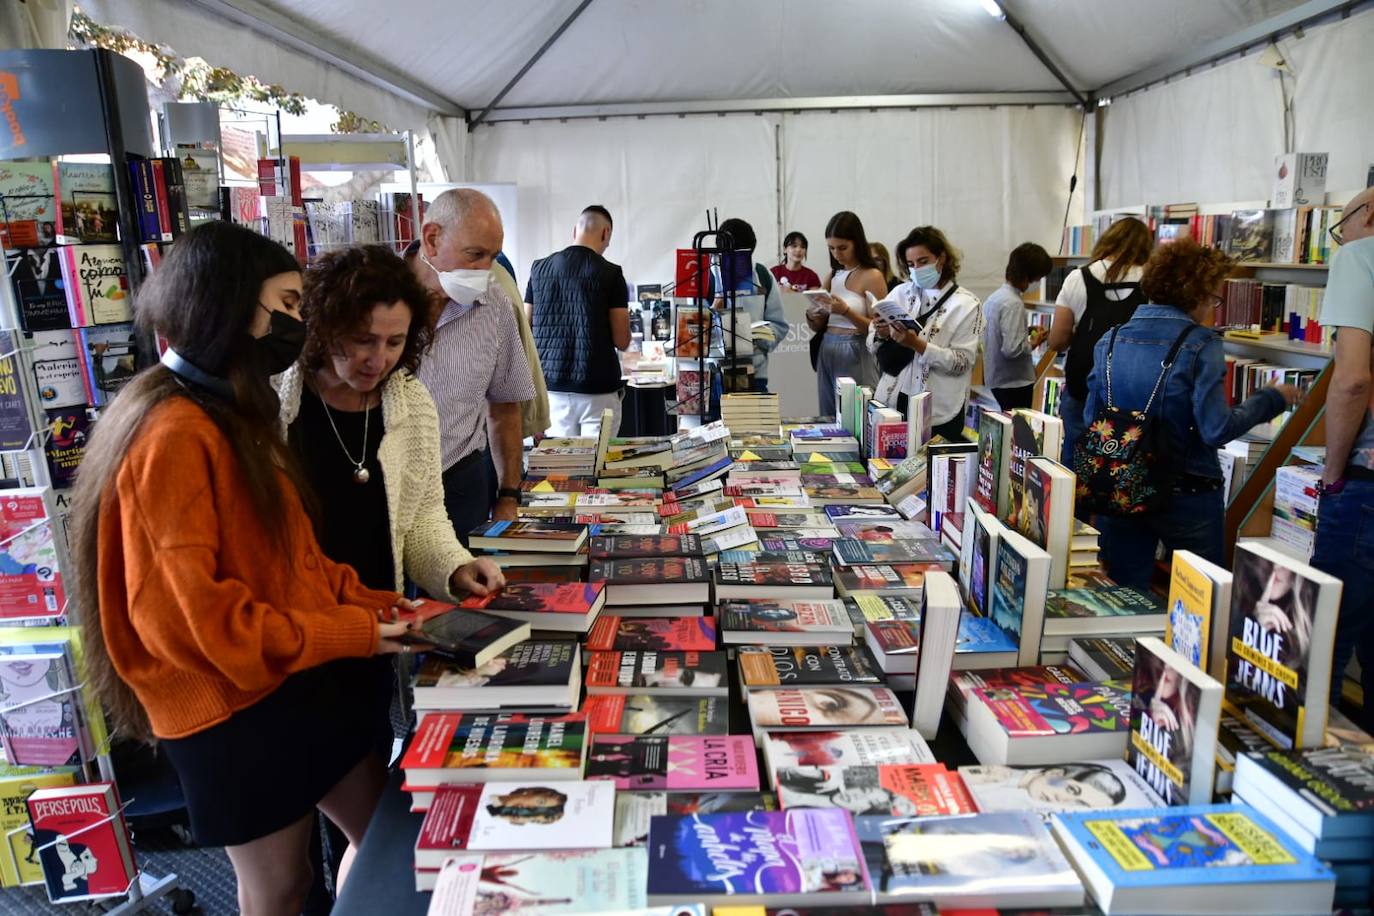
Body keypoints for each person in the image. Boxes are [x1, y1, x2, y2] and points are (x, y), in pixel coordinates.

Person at [67, 222, 412, 915]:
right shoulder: (174, 432)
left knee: (387, 836)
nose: (297, 324)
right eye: (285, 306)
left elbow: (290, 562)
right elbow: (197, 624)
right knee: (280, 886)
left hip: (282, 682)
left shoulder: (226, 413)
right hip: (229, 706)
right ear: (227, 304)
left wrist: (383, 607)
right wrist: (355, 631)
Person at [1083, 239, 1301, 590]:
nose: (1212, 308)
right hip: (1187, 492)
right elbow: (1216, 429)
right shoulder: (1201, 343)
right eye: (1213, 298)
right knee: (1201, 596)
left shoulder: (1109, 340)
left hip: (1122, 485)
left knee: (1124, 597)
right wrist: (1270, 399)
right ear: (1195, 294)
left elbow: (1091, 419)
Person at [408, 188, 535, 543]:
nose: (484, 270)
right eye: (475, 255)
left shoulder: (494, 305)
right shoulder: (376, 295)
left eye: (492, 257)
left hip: (460, 483)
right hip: (386, 486)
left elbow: (505, 406)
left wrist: (508, 495)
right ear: (432, 239)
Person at [1311, 187, 1374, 727]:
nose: (1341, 238)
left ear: (1368, 215)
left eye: (1341, 226)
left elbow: (1352, 380)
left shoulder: (1359, 256)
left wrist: (1332, 474)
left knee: (1324, 642)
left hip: (1366, 484)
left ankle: (1313, 767)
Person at [1046, 217, 1153, 464]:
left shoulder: (1078, 278)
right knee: (1124, 463)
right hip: (1131, 392)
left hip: (1082, 385)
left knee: (1075, 457)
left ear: (1107, 240)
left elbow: (1058, 341)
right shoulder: (1152, 281)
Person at [868, 226, 982, 441]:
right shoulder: (901, 293)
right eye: (911, 264)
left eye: (923, 262)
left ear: (941, 258)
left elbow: (962, 362)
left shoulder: (967, 304)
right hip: (894, 398)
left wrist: (917, 345)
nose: (917, 270)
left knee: (933, 460)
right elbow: (871, 343)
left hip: (939, 407)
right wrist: (881, 332)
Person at [525, 205, 630, 438]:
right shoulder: (611, 274)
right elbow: (622, 340)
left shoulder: (538, 269)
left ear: (575, 230)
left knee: (561, 460)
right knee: (597, 458)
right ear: (606, 233)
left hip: (552, 389)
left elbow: (525, 326)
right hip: (598, 389)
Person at [807, 211, 883, 417]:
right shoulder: (833, 275)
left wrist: (847, 312)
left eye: (842, 248)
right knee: (828, 414)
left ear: (857, 243)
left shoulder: (872, 276)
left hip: (856, 348)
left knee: (856, 415)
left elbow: (879, 330)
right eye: (831, 248)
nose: (837, 254)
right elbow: (817, 325)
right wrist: (814, 314)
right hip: (828, 347)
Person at [711, 217, 789, 393]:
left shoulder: (762, 275)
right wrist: (714, 308)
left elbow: (780, 325)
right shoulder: (706, 278)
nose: (738, 263)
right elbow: (691, 330)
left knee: (754, 412)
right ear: (720, 251)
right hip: (714, 374)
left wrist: (757, 337)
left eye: (743, 257)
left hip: (755, 372)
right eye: (732, 257)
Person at [983, 243, 1054, 410]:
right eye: (1038, 278)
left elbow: (999, 333)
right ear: (1028, 275)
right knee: (1018, 425)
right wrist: (1034, 343)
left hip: (997, 379)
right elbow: (1012, 349)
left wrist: (1025, 331)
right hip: (1014, 383)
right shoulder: (1014, 304)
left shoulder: (995, 298)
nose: (1038, 283)